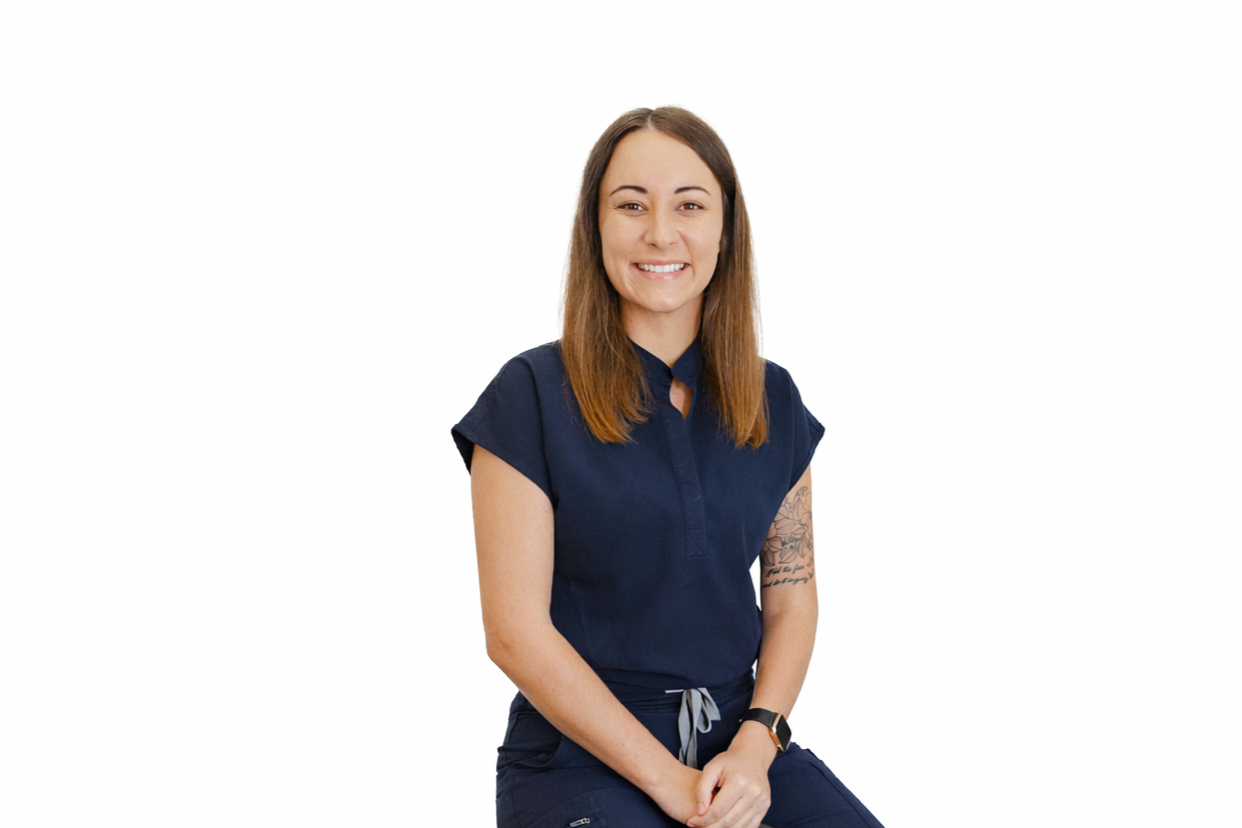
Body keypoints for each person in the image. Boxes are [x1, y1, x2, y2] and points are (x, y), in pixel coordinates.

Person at [452, 107, 885, 828]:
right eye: (630, 205)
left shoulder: (772, 398)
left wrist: (756, 743)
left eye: (689, 204)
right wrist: (668, 782)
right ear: (596, 227)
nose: (660, 232)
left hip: (737, 748)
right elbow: (514, 633)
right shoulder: (526, 396)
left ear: (725, 229)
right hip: (577, 758)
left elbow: (791, 601)